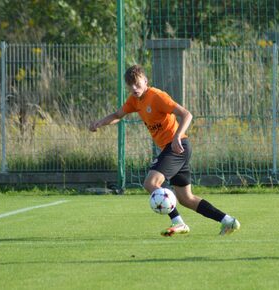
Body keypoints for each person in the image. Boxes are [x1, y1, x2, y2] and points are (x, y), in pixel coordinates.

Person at [89, 64, 240, 236]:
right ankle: (228, 221)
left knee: (151, 183)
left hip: (177, 146)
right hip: (174, 149)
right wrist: (99, 123)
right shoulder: (134, 100)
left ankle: (179, 223)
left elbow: (186, 114)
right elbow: (117, 115)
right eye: (130, 85)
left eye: (137, 84)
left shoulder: (157, 96)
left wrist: (177, 136)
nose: (134, 88)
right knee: (186, 199)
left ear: (145, 81)